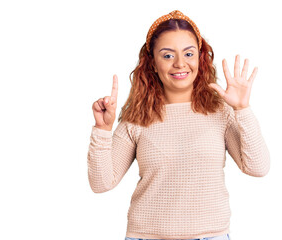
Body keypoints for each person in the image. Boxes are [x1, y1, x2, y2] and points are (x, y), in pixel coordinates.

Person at [87, 10, 270, 240]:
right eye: (167, 56)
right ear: (152, 63)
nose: (180, 63)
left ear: (200, 58)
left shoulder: (220, 112)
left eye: (188, 53)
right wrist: (103, 131)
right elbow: (101, 183)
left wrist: (242, 109)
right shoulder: (137, 117)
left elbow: (258, 167)